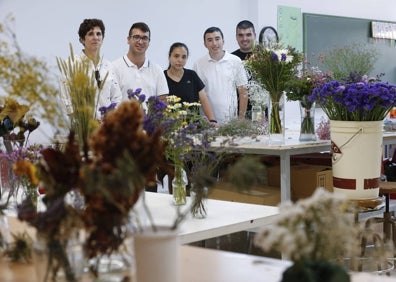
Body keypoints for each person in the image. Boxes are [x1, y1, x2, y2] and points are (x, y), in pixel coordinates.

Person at [60, 18, 122, 120]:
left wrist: (110, 119)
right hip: (82, 129)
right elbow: (65, 99)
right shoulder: (71, 64)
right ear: (82, 39)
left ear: (103, 38)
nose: (95, 37)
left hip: (106, 128)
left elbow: (117, 98)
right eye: (90, 34)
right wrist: (84, 123)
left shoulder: (109, 66)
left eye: (99, 34)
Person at [193, 26, 248, 124]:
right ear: (205, 44)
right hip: (208, 123)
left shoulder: (235, 61)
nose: (214, 43)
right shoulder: (198, 64)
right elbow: (198, 95)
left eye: (217, 39)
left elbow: (243, 92)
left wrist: (241, 119)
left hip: (231, 123)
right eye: (209, 40)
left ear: (223, 40)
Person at [112, 22, 168, 103]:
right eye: (136, 37)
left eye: (144, 38)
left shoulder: (157, 70)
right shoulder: (114, 67)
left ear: (149, 42)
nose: (140, 42)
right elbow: (111, 100)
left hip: (150, 116)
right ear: (128, 40)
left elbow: (163, 101)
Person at [164, 42, 217, 126]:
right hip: (172, 128)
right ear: (169, 57)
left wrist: (212, 120)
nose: (180, 60)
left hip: (194, 127)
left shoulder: (192, 75)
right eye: (176, 56)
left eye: (184, 57)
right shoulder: (162, 77)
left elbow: (203, 99)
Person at [232, 20, 256, 119]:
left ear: (254, 35)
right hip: (237, 114)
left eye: (248, 35)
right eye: (241, 35)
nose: (244, 38)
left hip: (262, 112)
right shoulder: (231, 59)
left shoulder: (267, 57)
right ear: (236, 37)